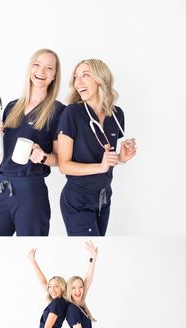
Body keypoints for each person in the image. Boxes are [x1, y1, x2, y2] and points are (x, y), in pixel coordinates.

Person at [0, 48, 65, 236]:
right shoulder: (11, 107)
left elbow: (60, 160)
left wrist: (43, 157)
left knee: (32, 249)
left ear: (55, 75)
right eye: (37, 65)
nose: (41, 72)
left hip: (30, 191)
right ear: (30, 68)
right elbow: (0, 155)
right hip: (2, 187)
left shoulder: (59, 111)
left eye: (49, 68)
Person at [57, 58, 137, 236]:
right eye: (76, 77)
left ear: (101, 78)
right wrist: (100, 167)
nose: (78, 82)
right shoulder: (71, 113)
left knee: (100, 249)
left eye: (85, 75)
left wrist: (121, 158)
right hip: (78, 199)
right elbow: (64, 165)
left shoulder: (117, 115)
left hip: (104, 196)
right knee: (89, 249)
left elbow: (108, 158)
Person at [28, 248, 67, 328]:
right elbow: (43, 281)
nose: (52, 289)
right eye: (50, 286)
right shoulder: (59, 301)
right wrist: (33, 261)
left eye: (56, 286)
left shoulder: (57, 303)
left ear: (62, 288)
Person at [66, 240, 97, 328]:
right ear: (69, 290)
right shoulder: (72, 309)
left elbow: (88, 279)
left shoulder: (80, 304)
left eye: (80, 287)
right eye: (73, 288)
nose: (78, 291)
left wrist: (93, 257)